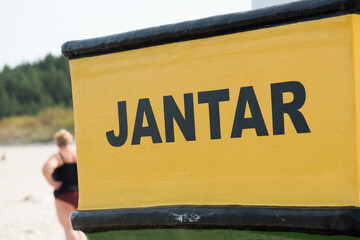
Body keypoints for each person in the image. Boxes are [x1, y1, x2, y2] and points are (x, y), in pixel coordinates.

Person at [43, 129, 81, 240]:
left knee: (68, 228)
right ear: (70, 141)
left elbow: (47, 168)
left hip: (64, 195)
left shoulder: (58, 157)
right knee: (78, 228)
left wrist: (52, 183)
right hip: (80, 194)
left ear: (57, 143)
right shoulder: (77, 154)